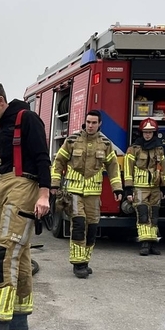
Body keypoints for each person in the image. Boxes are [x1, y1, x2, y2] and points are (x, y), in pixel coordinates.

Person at [0, 80, 51, 330]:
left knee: (3, 252)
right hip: (6, 186)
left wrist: (44, 195)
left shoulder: (27, 119)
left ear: (1, 100)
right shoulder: (2, 127)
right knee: (22, 255)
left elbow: (42, 157)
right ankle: (18, 315)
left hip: (24, 185)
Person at [50, 110, 124, 277]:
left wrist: (117, 189)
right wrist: (54, 184)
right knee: (78, 225)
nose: (90, 126)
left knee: (92, 228)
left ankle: (85, 260)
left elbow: (113, 168)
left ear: (99, 124)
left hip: (93, 194)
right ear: (85, 122)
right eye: (88, 122)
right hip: (73, 192)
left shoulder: (105, 144)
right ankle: (78, 264)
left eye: (94, 123)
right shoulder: (72, 141)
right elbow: (58, 163)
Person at [123, 118, 165, 256]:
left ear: (154, 133)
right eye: (145, 132)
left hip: (155, 187)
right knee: (143, 215)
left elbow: (162, 168)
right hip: (139, 187)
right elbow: (127, 169)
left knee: (154, 216)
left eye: (150, 132)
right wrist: (128, 190)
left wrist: (164, 187)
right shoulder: (134, 148)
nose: (148, 135)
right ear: (141, 132)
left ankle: (153, 244)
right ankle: (144, 244)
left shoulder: (159, 149)